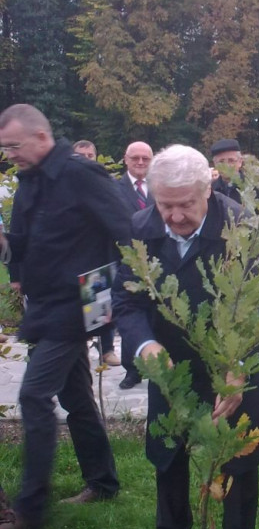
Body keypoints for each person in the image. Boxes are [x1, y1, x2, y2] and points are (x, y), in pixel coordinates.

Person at [112, 145, 259, 529]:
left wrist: (237, 368)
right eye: (166, 205)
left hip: (231, 360)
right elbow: (126, 301)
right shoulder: (140, 228)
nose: (176, 216)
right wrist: (145, 345)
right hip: (170, 364)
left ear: (209, 189)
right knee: (169, 452)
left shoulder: (242, 226)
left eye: (187, 205)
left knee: (236, 453)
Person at [0, 104, 130, 529]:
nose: (9, 155)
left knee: (35, 395)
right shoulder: (31, 182)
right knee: (75, 395)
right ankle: (104, 482)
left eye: (14, 146)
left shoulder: (80, 174)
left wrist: (129, 290)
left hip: (83, 300)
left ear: (41, 138)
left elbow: (126, 229)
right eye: (4, 149)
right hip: (47, 302)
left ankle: (30, 512)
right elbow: (25, 240)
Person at [72, 140, 120, 367]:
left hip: (99, 259)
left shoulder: (106, 183)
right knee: (75, 315)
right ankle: (78, 352)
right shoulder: (64, 186)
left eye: (90, 155)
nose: (85, 158)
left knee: (100, 308)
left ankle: (106, 349)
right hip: (72, 260)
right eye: (80, 154)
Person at [116, 141, 155, 389]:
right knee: (131, 312)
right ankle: (132, 370)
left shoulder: (160, 186)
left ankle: (157, 362)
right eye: (135, 158)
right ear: (126, 159)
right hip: (127, 260)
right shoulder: (114, 188)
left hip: (159, 258)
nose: (140, 162)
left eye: (145, 158)